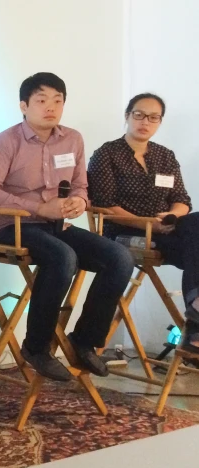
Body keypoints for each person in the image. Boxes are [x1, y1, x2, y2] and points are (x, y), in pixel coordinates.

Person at [0, 72, 134, 382]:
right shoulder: (6, 141)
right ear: (24, 105)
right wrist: (37, 207)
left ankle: (83, 341)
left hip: (55, 227)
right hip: (12, 226)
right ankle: (36, 347)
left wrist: (79, 202)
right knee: (63, 257)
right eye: (42, 100)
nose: (51, 107)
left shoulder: (72, 138)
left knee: (120, 257)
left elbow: (80, 185)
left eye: (58, 101)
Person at [88, 93, 198, 350]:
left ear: (160, 122)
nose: (144, 121)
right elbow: (105, 206)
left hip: (166, 230)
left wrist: (173, 217)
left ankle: (195, 313)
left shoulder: (165, 156)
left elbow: (181, 199)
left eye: (153, 117)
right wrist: (150, 224)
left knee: (196, 223)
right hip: (123, 233)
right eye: (138, 114)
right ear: (127, 116)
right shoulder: (107, 154)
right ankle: (195, 328)